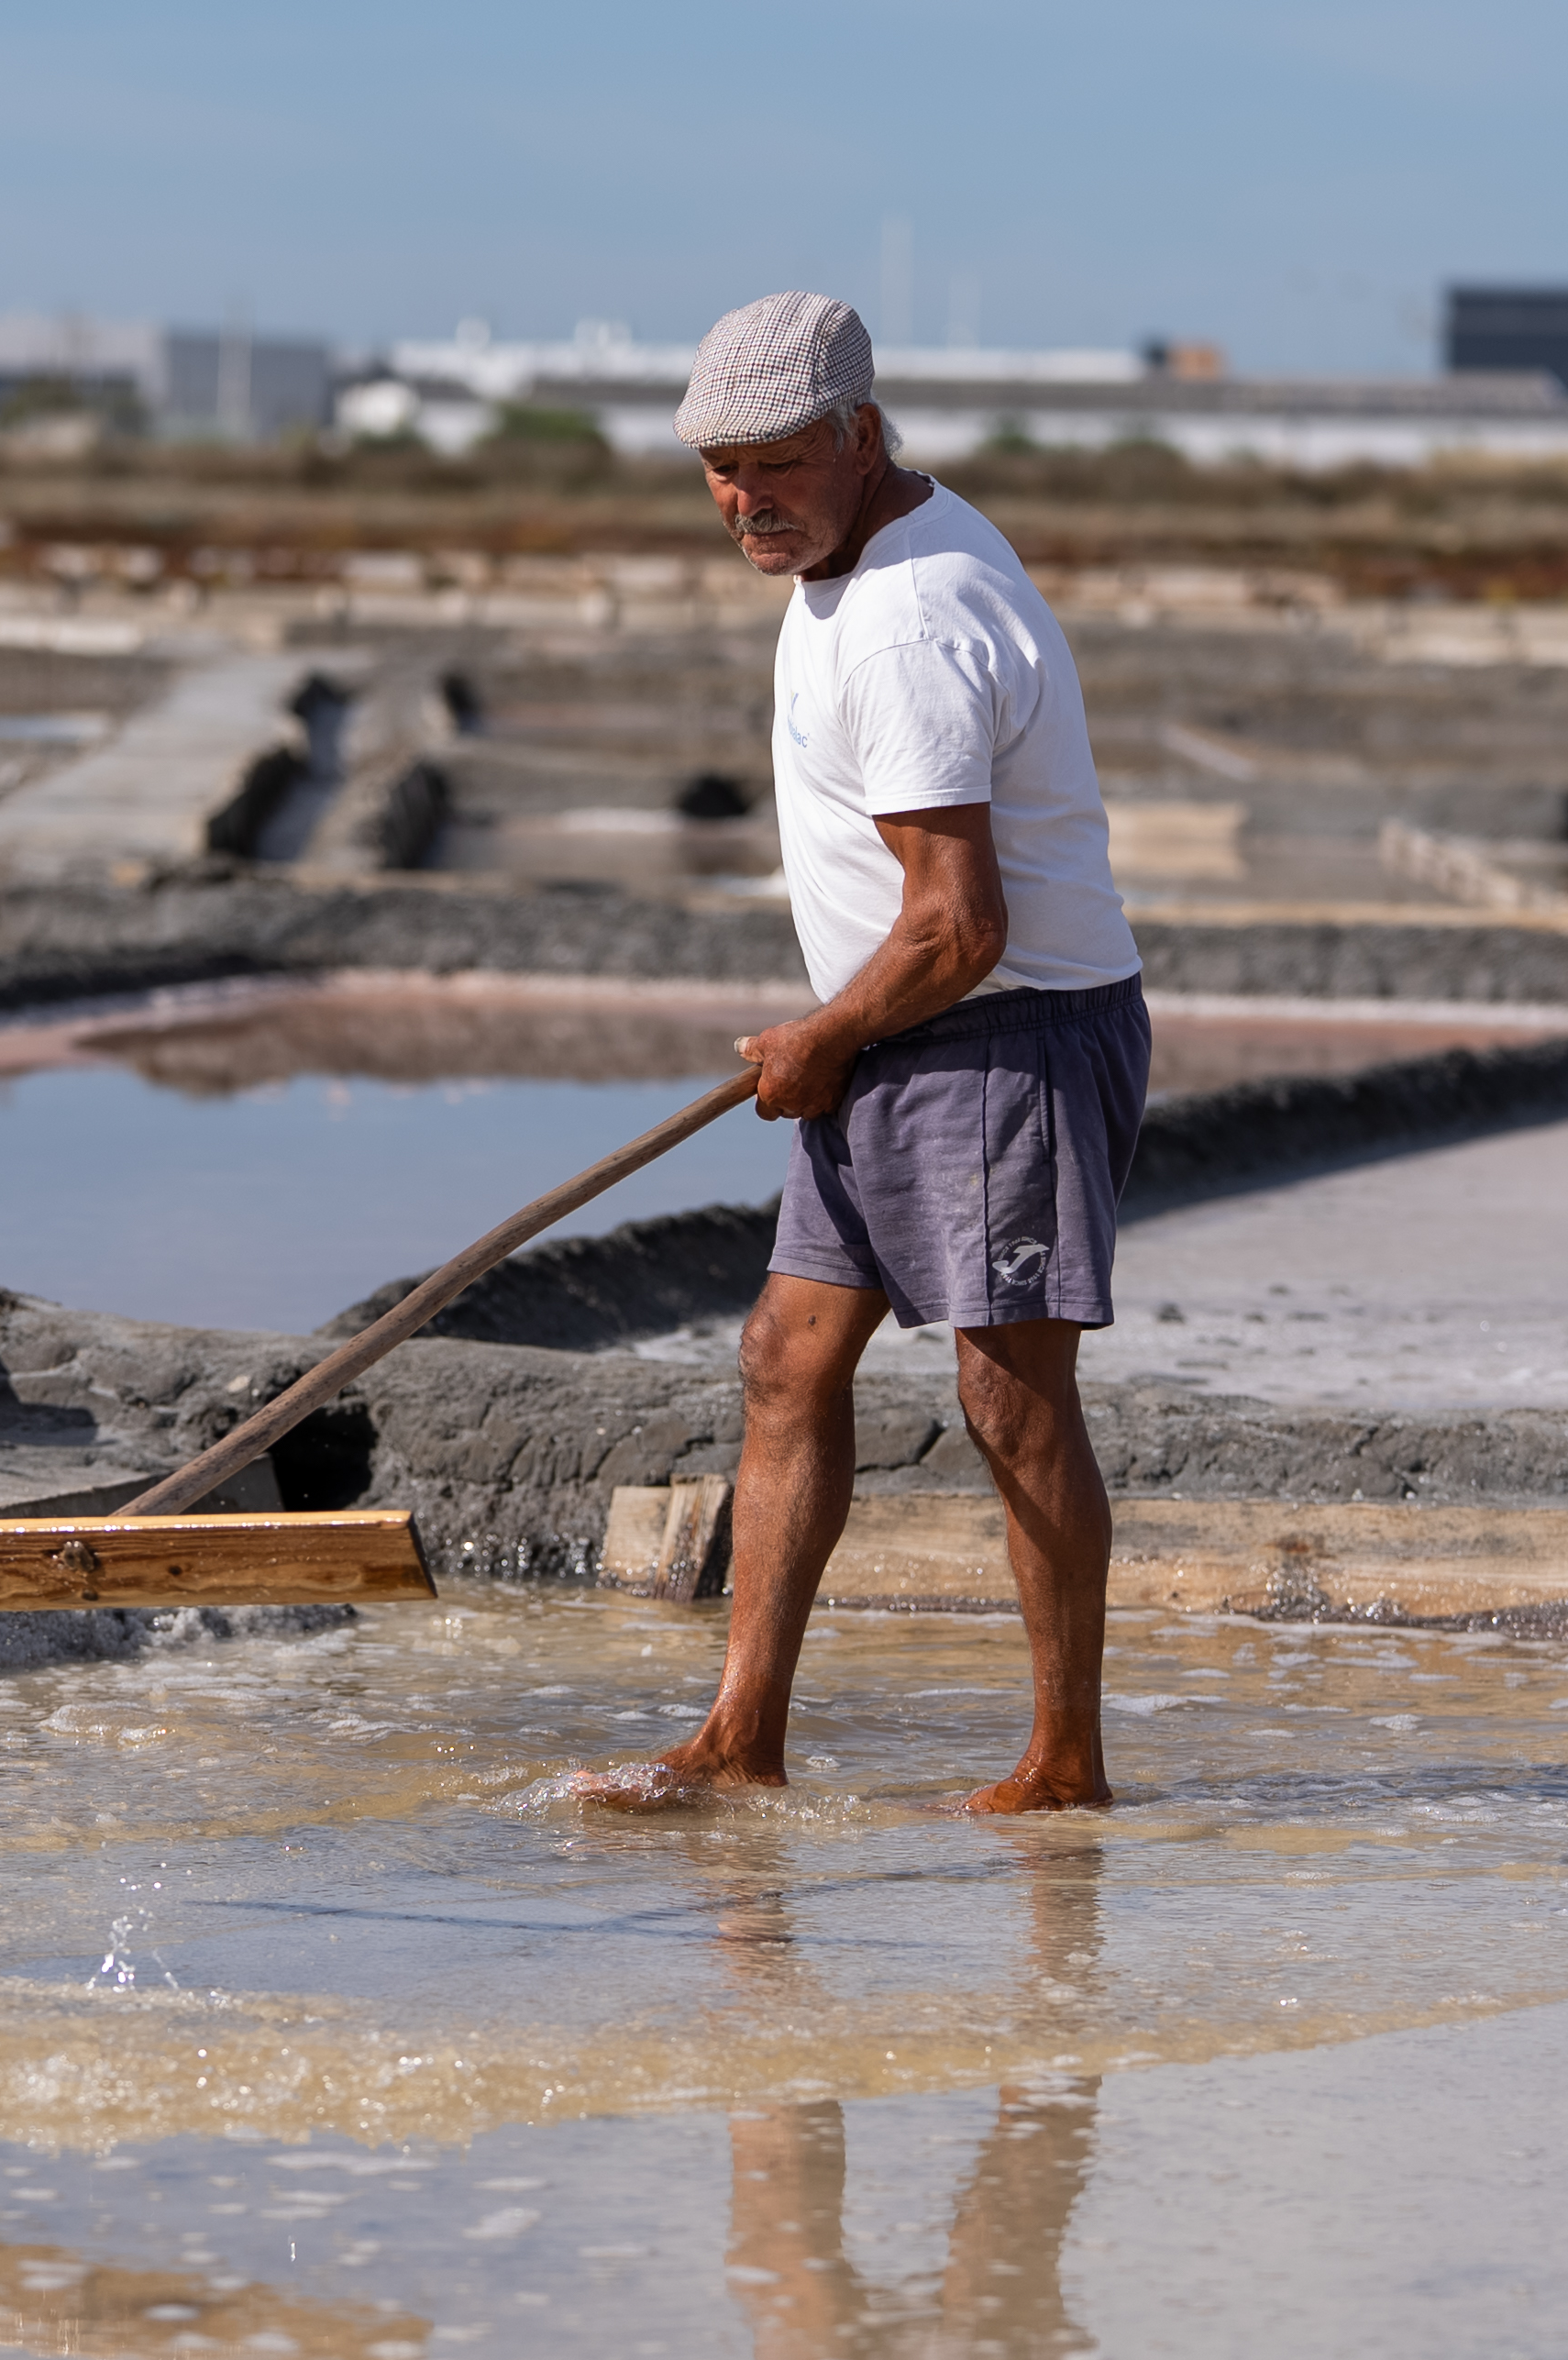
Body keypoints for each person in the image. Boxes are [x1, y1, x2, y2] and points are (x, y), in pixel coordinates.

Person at [588, 291, 1148, 1816]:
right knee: (789, 1358)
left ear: (860, 434)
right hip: (900, 1033)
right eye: (719, 471)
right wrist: (842, 1038)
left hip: (991, 1036)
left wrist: (819, 1034)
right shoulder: (861, 551)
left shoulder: (906, 616)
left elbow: (962, 922)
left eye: (775, 463)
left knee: (1010, 1396)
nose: (744, 501)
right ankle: (739, 1738)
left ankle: (1064, 1765)